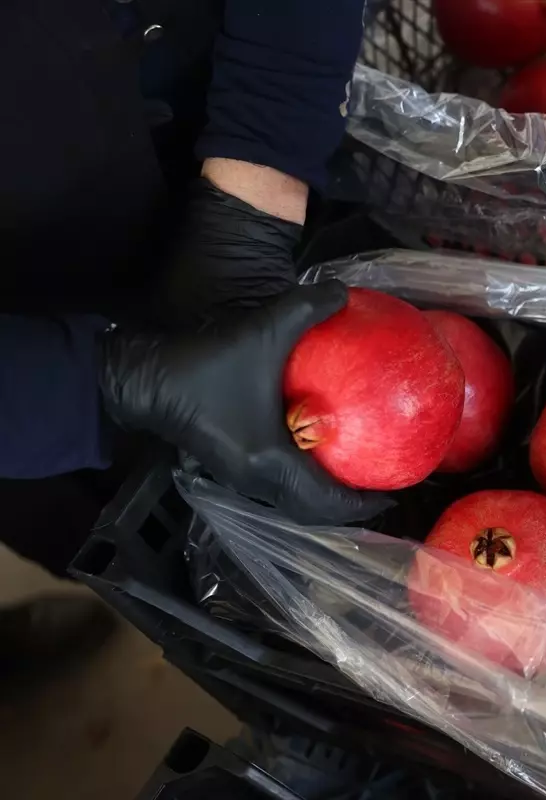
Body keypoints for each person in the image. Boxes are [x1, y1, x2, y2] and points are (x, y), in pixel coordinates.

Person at [0, 0, 389, 674]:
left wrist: (256, 193)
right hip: (33, 345)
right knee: (167, 555)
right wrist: (99, 383)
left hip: (235, 96)